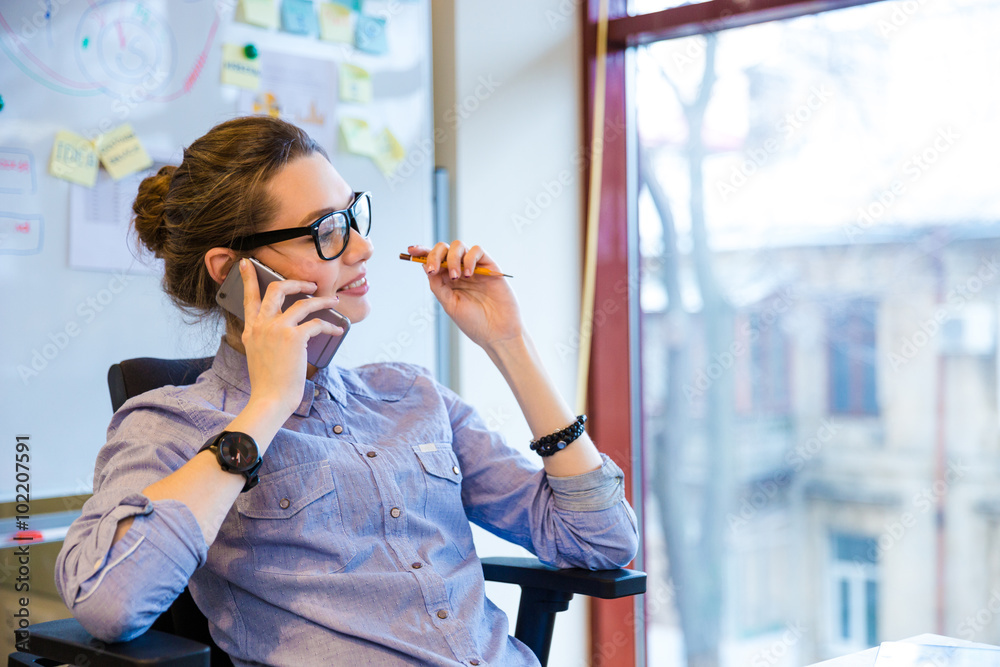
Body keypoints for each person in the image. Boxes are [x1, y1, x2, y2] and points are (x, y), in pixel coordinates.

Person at [54, 116, 638, 666]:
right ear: (232, 270)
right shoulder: (169, 423)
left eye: (352, 216)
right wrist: (266, 409)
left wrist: (509, 344)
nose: (362, 248)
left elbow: (603, 542)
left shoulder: (409, 395)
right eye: (326, 232)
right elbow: (111, 603)